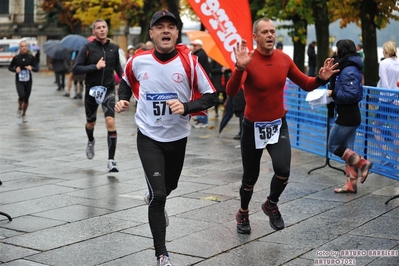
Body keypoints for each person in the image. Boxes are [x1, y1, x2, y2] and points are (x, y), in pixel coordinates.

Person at [114, 10, 217, 266]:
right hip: (148, 136)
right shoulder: (138, 61)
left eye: (171, 26)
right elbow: (125, 81)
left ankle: (154, 196)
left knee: (169, 188)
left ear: (177, 33)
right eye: (160, 27)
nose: (166, 31)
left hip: (178, 137)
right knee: (159, 195)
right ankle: (162, 254)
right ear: (152, 34)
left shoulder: (190, 62)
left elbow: (213, 96)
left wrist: (186, 106)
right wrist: (124, 99)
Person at [226, 18, 338, 234]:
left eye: (272, 31)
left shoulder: (284, 59)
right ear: (255, 37)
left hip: (278, 124)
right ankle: (243, 212)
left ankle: (271, 204)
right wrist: (239, 68)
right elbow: (231, 92)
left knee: (283, 170)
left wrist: (321, 79)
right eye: (265, 32)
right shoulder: (249, 61)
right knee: (250, 178)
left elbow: (306, 83)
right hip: (253, 127)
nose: (270, 35)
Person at [73, 18, 123, 172]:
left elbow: (119, 70)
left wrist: (126, 82)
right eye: (98, 28)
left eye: (104, 27)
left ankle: (111, 160)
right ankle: (90, 140)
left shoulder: (114, 48)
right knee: (91, 123)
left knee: (110, 121)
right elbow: (76, 69)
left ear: (107, 30)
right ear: (93, 31)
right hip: (91, 90)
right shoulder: (87, 48)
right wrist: (95, 66)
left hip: (108, 89)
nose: (102, 29)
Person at [326, 39, 373, 193]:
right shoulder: (346, 67)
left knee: (333, 146)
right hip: (349, 114)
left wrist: (333, 93)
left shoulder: (349, 69)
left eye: (337, 49)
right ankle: (351, 185)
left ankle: (362, 163)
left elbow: (352, 94)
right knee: (348, 150)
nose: (336, 51)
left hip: (348, 115)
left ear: (342, 51)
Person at [374, 41, 399, 168]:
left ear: (386, 50)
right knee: (396, 132)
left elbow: (385, 84)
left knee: (376, 127)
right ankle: (395, 162)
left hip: (385, 101)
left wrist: (389, 97)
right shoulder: (398, 63)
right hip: (397, 100)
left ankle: (386, 155)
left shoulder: (384, 63)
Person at [8, 40, 38, 123]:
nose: (24, 48)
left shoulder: (31, 57)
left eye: (25, 46)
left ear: (27, 47)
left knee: (26, 99)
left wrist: (31, 68)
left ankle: (24, 114)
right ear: (20, 48)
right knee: (21, 96)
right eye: (22, 46)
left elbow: (37, 69)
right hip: (19, 80)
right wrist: (15, 70)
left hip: (28, 81)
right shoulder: (16, 58)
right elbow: (10, 67)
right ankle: (19, 108)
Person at [190, 39, 211, 128]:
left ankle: (202, 120)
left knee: (202, 100)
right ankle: (200, 119)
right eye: (193, 45)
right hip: (201, 80)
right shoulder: (200, 54)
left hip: (202, 81)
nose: (193, 47)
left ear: (199, 46)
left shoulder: (200, 55)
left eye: (195, 45)